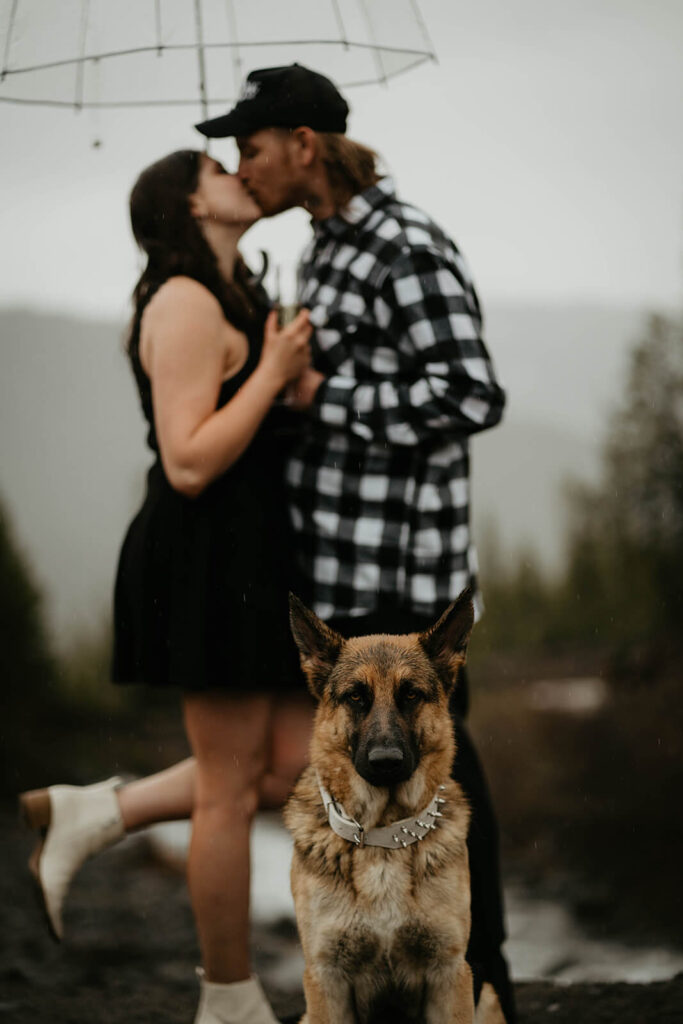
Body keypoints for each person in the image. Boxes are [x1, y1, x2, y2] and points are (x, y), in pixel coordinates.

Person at [194, 64, 516, 1022]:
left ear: (303, 146)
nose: (241, 165)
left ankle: (485, 983)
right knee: (382, 778)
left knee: (448, 769)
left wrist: (324, 395)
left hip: (404, 569)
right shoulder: (321, 249)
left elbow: (471, 393)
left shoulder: (404, 243)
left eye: (250, 147)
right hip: (338, 562)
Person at [19, 148, 315, 1024]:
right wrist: (268, 374)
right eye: (218, 168)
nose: (238, 174)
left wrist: (287, 374)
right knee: (228, 787)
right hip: (207, 559)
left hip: (254, 556)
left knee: (297, 764)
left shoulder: (232, 293)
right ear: (191, 206)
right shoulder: (183, 302)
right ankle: (226, 997)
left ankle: (99, 812)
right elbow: (187, 461)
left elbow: (258, 415)